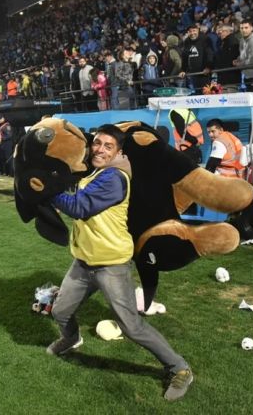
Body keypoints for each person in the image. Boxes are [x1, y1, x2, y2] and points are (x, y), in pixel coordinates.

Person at [48, 124, 193, 402]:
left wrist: (45, 189)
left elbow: (80, 207)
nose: (100, 149)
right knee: (60, 312)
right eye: (97, 143)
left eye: (108, 146)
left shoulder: (114, 177)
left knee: (131, 326)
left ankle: (180, 368)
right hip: (83, 262)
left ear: (118, 152)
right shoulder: (95, 173)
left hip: (111, 264)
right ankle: (70, 339)